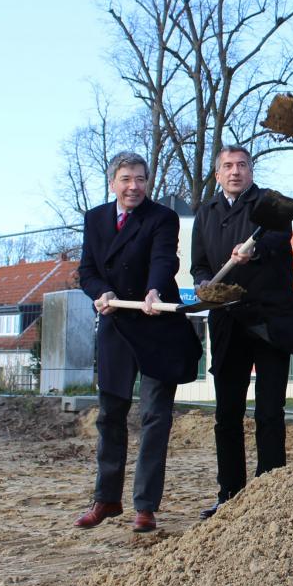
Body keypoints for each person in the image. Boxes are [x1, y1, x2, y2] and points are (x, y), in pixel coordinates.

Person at [75, 152, 202, 533]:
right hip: (115, 326)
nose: (134, 186)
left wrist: (152, 290)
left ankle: (145, 506)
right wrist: (102, 292)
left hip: (155, 324)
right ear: (113, 181)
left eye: (141, 179)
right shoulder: (95, 219)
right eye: (127, 179)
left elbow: (164, 260)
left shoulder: (161, 217)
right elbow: (87, 271)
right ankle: (106, 499)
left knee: (154, 417)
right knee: (110, 415)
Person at [191, 145, 293, 520]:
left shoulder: (269, 205)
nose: (235, 171)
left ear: (251, 171)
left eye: (242, 165)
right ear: (217, 174)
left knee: (269, 411)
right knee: (227, 414)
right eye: (227, 166)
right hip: (227, 321)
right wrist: (205, 282)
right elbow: (199, 264)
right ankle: (229, 494)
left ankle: (271, 492)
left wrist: (253, 251)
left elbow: (277, 240)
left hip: (269, 322)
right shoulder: (206, 214)